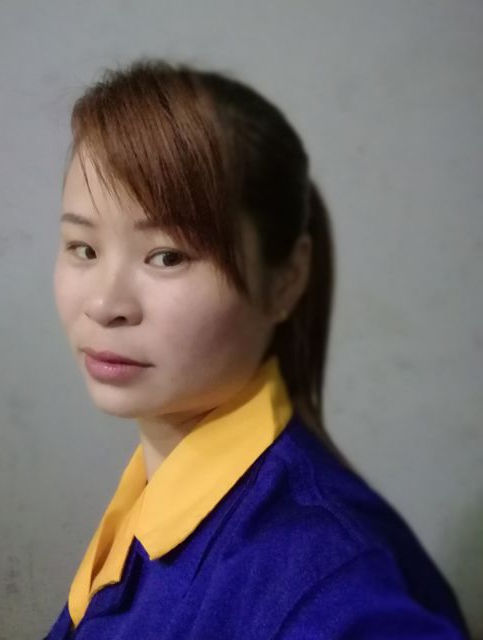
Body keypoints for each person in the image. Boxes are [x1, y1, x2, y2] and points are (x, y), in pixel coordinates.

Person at [43, 58, 470, 639]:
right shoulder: (155, 493)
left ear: (286, 279)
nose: (104, 303)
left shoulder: (340, 593)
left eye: (167, 256)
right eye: (83, 249)